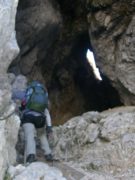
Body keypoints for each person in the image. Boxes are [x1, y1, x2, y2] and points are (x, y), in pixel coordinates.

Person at [12, 80, 53, 163]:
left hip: (28, 117)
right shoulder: (44, 98)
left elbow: (13, 94)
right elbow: (46, 112)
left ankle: (31, 156)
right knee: (42, 135)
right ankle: (48, 154)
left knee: (29, 135)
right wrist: (49, 127)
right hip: (40, 118)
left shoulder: (27, 94)